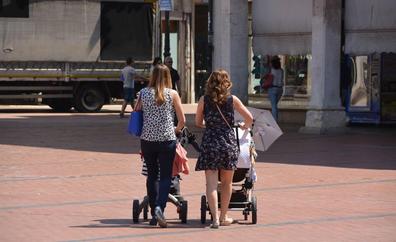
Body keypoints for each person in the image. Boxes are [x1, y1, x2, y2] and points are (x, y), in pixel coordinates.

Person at [195, 69, 253, 229]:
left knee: (211, 184)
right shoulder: (232, 99)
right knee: (227, 183)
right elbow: (250, 119)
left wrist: (211, 124)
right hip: (228, 143)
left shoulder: (203, 100)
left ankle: (214, 219)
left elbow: (198, 122)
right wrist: (244, 125)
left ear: (210, 83)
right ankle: (223, 216)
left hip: (210, 143)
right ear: (226, 83)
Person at [139, 64, 186, 228]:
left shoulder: (143, 93)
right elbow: (182, 120)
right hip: (167, 139)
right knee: (166, 176)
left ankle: (153, 214)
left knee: (151, 176)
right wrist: (176, 129)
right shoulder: (172, 94)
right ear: (168, 77)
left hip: (147, 139)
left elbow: (137, 112)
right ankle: (160, 207)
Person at [268, 56, 284, 122]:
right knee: (275, 105)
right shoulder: (281, 70)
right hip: (280, 89)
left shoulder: (271, 70)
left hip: (272, 88)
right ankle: (274, 119)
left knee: (274, 106)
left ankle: (274, 121)